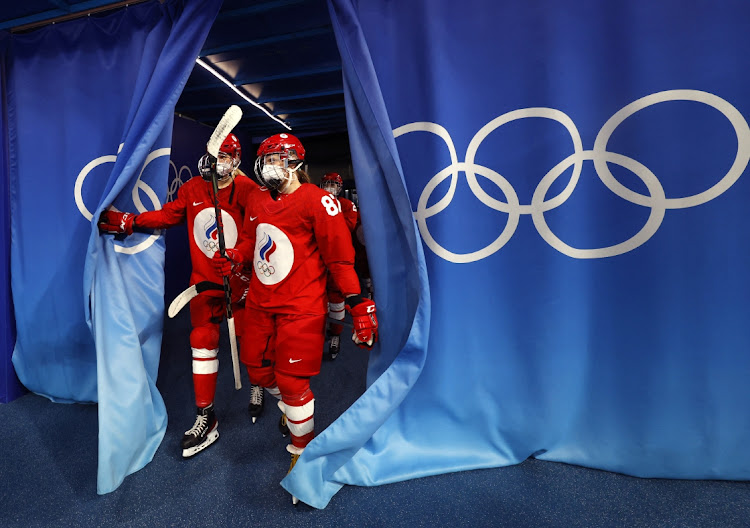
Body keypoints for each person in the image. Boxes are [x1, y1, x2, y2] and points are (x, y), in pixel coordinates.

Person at [211, 132, 378, 484]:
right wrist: (236, 256)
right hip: (259, 301)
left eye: (277, 160)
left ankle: (303, 450)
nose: (271, 167)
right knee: (256, 368)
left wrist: (357, 303)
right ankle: (292, 409)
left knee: (292, 380)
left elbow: (340, 260)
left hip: (300, 306)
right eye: (267, 160)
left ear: (296, 164)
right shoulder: (256, 201)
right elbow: (248, 240)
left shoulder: (319, 202)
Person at [98, 133, 262, 458]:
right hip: (203, 284)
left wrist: (238, 257)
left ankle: (259, 386)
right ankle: (206, 415)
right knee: (202, 342)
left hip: (241, 284)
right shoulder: (193, 189)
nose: (216, 163)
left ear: (236, 160)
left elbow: (254, 233)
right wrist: (131, 222)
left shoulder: (248, 191)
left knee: (253, 346)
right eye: (212, 156)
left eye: (223, 157)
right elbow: (168, 215)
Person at [320, 172, 359, 360]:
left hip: (337, 259)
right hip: (318, 259)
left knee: (336, 301)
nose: (329, 187)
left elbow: (345, 229)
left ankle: (335, 335)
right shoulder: (315, 202)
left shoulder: (346, 205)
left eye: (333, 184)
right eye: (326, 183)